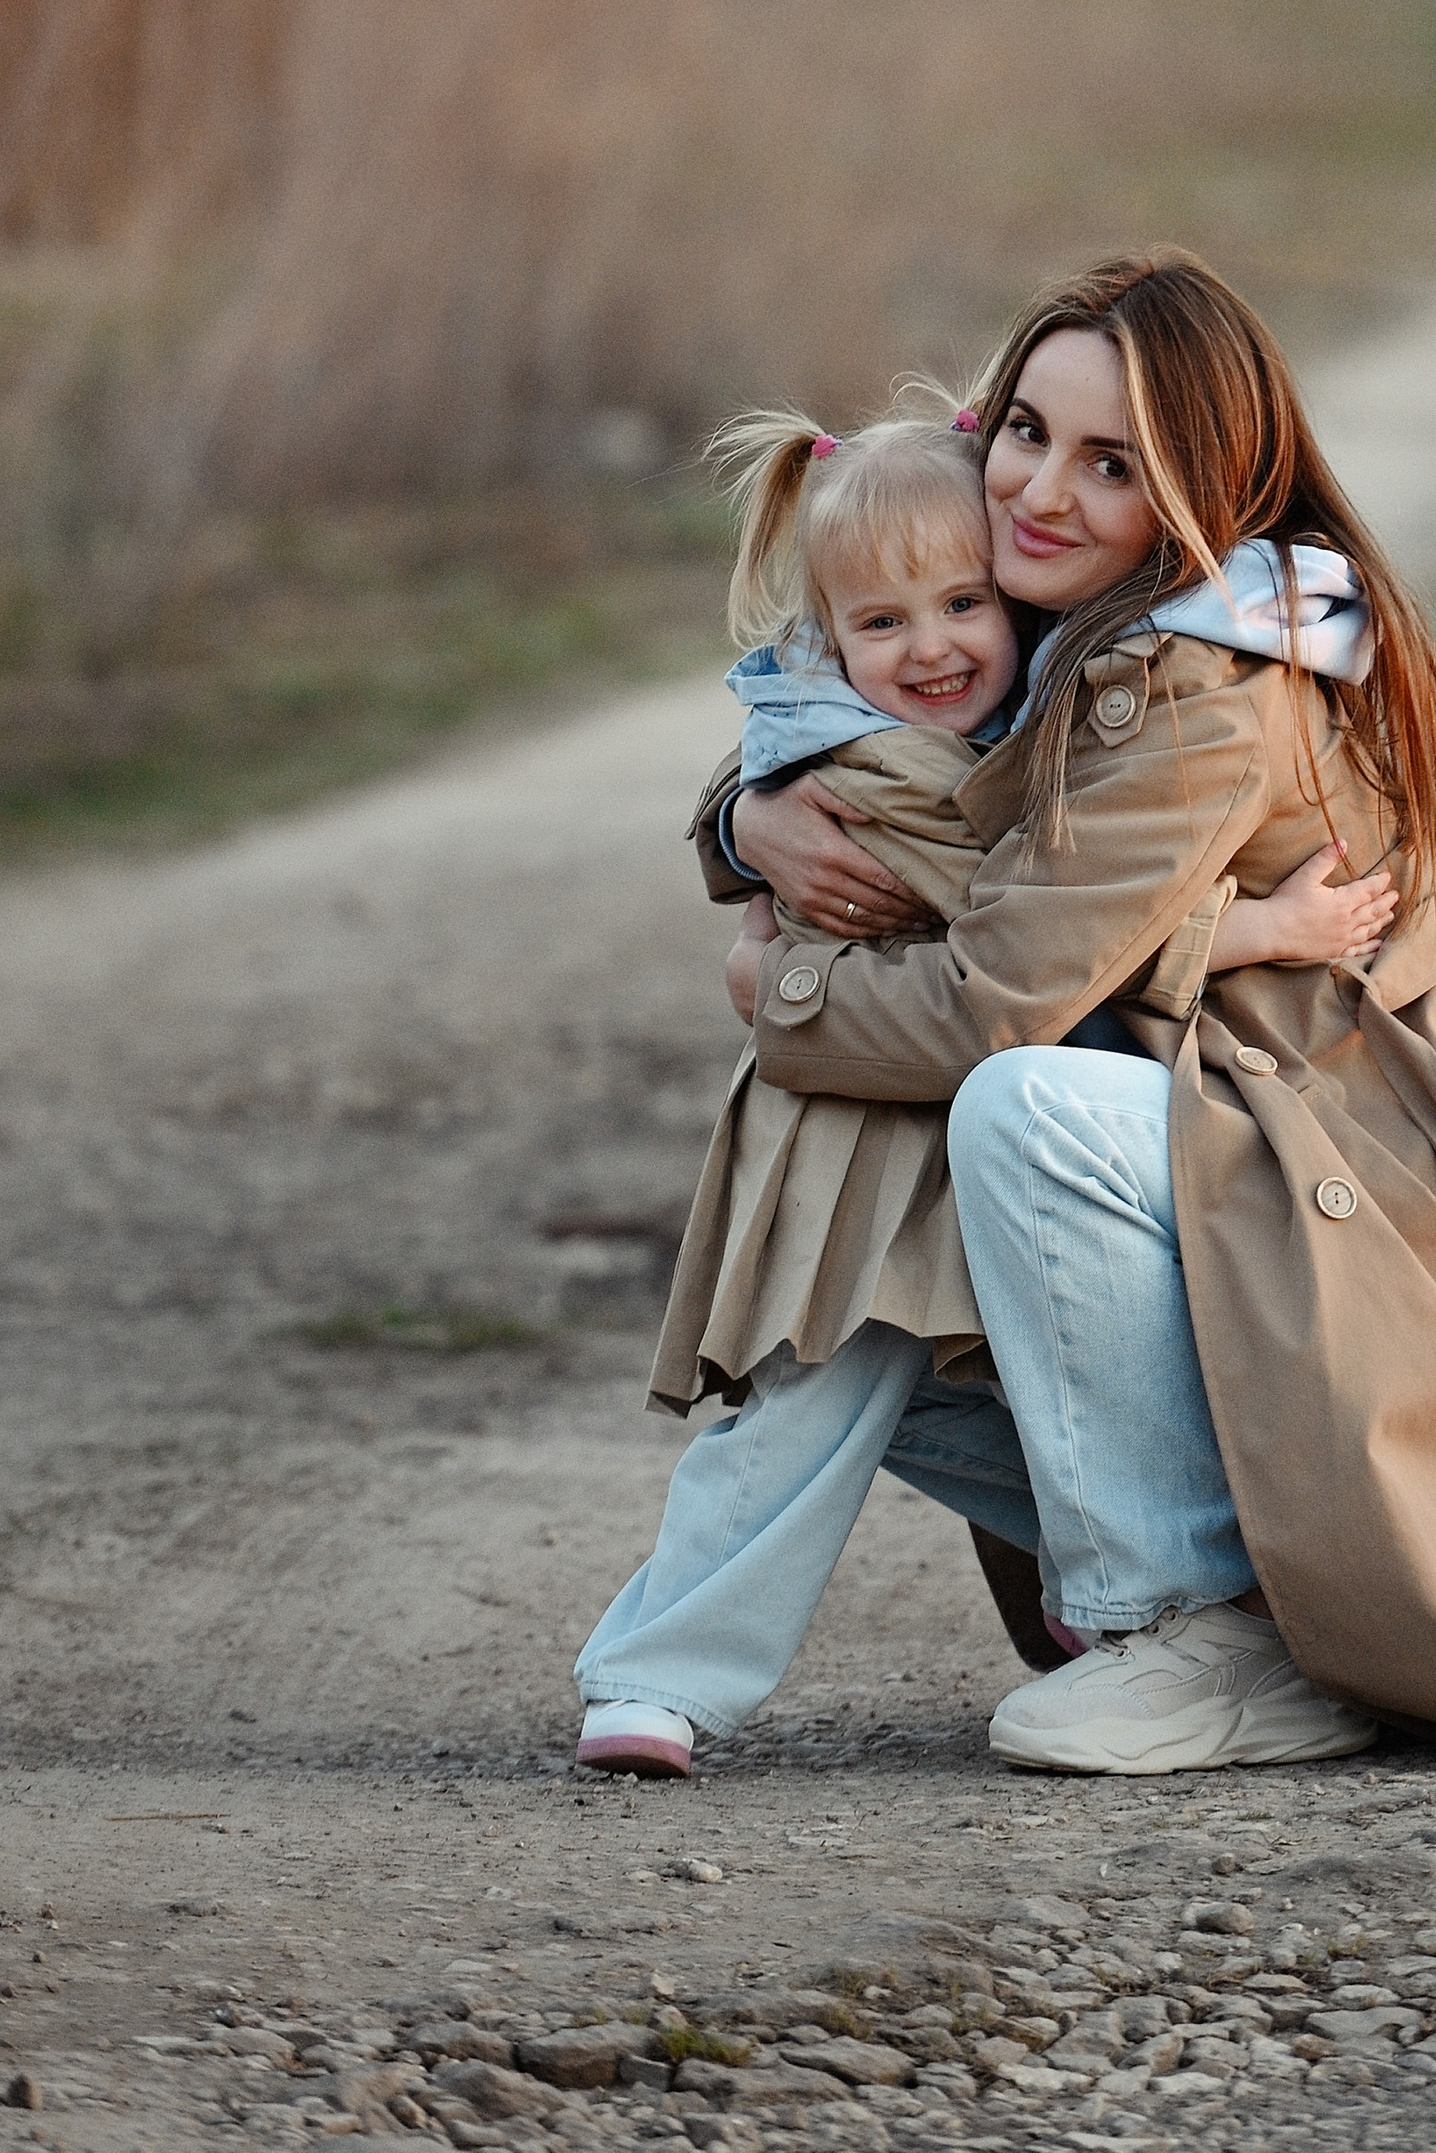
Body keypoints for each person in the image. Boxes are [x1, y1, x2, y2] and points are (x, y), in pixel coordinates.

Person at [718, 247, 1436, 1781]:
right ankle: (1260, 1610)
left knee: (1016, 1107)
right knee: (854, 1306)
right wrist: (747, 820)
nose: (1039, 489)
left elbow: (991, 1002)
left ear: (1200, 488)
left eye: (1112, 464)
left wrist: (779, 990)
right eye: (1026, 432)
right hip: (1256, 1146)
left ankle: (1206, 1630)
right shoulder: (1079, 615)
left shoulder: (1204, 682)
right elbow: (859, 712)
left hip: (1369, 1205)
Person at [574, 402, 1390, 1775]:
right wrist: (1253, 931)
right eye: (883, 624)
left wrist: (739, 823)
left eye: (964, 604)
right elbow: (1029, 930)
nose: (933, 647)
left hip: (931, 1134)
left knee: (960, 1387)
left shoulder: (974, 711)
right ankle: (652, 1679)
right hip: (861, 1146)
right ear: (830, 641)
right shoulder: (879, 765)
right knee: (809, 1395)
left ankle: (1161, 1583)